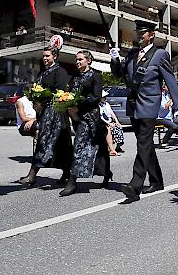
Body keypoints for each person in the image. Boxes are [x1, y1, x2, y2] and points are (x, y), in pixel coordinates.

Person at [110, 20, 178, 201]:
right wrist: (114, 60)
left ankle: (135, 184)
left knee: (142, 143)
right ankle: (157, 180)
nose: (139, 36)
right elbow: (119, 75)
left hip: (149, 105)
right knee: (146, 144)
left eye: (142, 33)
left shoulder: (160, 54)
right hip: (133, 104)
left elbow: (170, 80)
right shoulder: (132, 54)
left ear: (151, 34)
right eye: (137, 32)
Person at [18, 46, 73, 187]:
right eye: (43, 56)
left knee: (57, 145)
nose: (45, 58)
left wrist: (45, 97)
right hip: (44, 113)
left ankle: (64, 174)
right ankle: (34, 175)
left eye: (47, 56)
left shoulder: (60, 71)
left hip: (56, 114)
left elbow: (61, 92)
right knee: (46, 144)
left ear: (55, 56)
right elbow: (39, 90)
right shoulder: (43, 73)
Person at [60, 50, 109, 196]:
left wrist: (79, 104)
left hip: (90, 118)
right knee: (98, 147)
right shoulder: (74, 77)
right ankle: (106, 172)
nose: (78, 62)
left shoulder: (95, 76)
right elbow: (68, 93)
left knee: (79, 146)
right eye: (76, 60)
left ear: (88, 60)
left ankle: (73, 181)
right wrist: (66, 103)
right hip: (76, 116)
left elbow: (96, 97)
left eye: (80, 59)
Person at [98, 90, 125, 156]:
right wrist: (109, 123)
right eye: (103, 97)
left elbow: (112, 113)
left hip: (110, 121)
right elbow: (101, 117)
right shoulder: (98, 106)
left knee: (118, 128)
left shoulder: (106, 104)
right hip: (103, 122)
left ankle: (118, 147)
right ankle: (112, 149)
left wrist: (117, 121)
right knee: (108, 129)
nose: (105, 98)